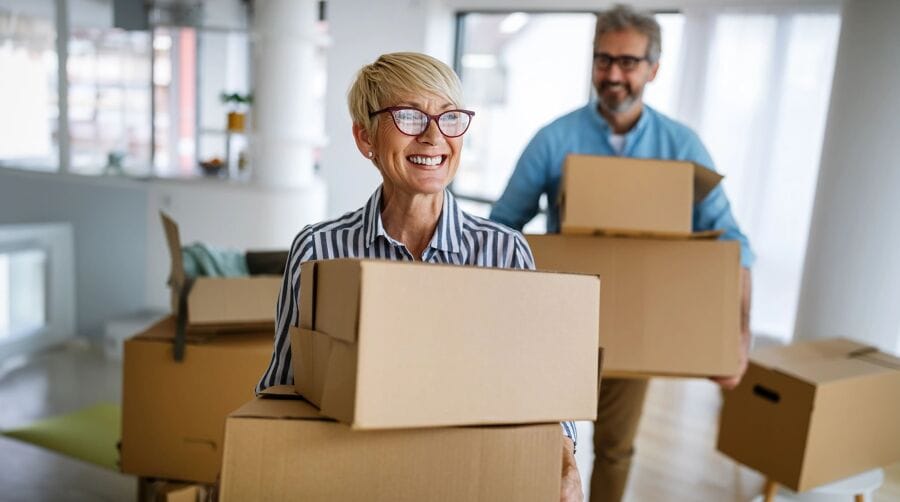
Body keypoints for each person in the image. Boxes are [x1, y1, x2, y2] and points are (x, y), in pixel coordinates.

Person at [256, 52, 584, 502]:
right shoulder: (319, 251)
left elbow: (539, 389)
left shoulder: (504, 252)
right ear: (364, 136)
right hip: (351, 479)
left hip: (470, 480)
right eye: (410, 117)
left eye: (450, 118)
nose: (434, 136)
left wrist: (564, 461)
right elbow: (283, 383)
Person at [489, 5, 754, 502]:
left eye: (628, 63)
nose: (613, 74)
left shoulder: (680, 145)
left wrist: (737, 339)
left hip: (638, 325)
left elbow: (733, 243)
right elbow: (503, 227)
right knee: (542, 442)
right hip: (559, 322)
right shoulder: (554, 139)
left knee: (615, 448)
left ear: (653, 68)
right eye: (602, 59)